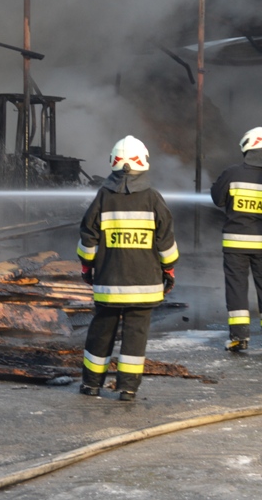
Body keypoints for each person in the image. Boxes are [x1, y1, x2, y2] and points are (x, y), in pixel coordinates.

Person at [76, 135, 179, 401]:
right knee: (135, 336)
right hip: (144, 286)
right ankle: (127, 389)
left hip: (109, 284)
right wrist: (168, 270)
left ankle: (91, 385)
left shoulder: (103, 197)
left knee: (101, 332)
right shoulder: (153, 198)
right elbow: (166, 243)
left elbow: (88, 238)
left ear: (113, 161)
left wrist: (87, 267)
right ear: (143, 162)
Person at [211, 127, 262, 352]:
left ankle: (239, 337)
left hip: (235, 244)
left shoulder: (231, 173)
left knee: (236, 288)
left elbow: (217, 199)